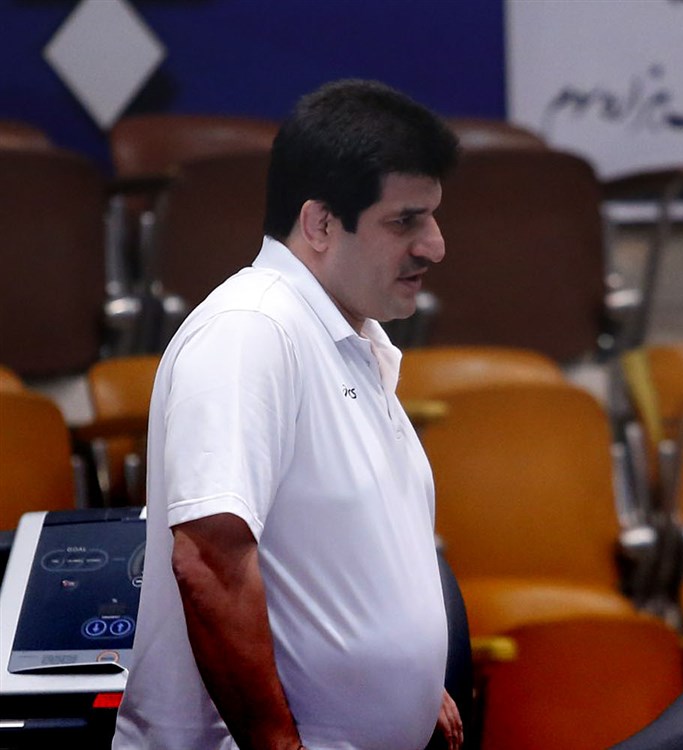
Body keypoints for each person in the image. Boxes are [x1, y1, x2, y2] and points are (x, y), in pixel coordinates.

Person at [112, 79, 464, 750]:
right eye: (406, 221)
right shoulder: (250, 330)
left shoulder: (344, 338)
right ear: (321, 224)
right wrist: (277, 744)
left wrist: (411, 687)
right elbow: (208, 560)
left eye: (433, 217)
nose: (435, 246)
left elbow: (330, 562)